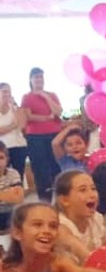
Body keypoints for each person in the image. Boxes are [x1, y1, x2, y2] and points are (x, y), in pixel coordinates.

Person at [20, 67, 62, 200]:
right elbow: (28, 116)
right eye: (36, 77)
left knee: (57, 167)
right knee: (40, 169)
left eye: (41, 77)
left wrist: (45, 97)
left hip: (55, 135)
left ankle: (62, 198)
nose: (39, 79)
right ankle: (45, 201)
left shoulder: (52, 95)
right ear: (30, 80)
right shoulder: (27, 97)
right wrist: (47, 118)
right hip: (35, 137)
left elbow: (58, 112)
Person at [53, 170, 105, 264]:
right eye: (83, 190)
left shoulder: (96, 218)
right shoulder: (61, 227)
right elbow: (87, 257)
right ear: (65, 200)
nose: (92, 195)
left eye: (93, 188)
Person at [0, 82, 28, 183]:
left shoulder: (15, 108)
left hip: (19, 146)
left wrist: (13, 106)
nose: (7, 94)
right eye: (4, 91)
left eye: (9, 92)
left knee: (18, 174)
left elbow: (22, 125)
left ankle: (17, 191)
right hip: (3, 147)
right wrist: (13, 125)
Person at [0, 140, 24, 233]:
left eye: (1, 158)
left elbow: (18, 197)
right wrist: (7, 194)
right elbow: (12, 196)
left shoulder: (12, 173)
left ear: (7, 159)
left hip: (10, 213)